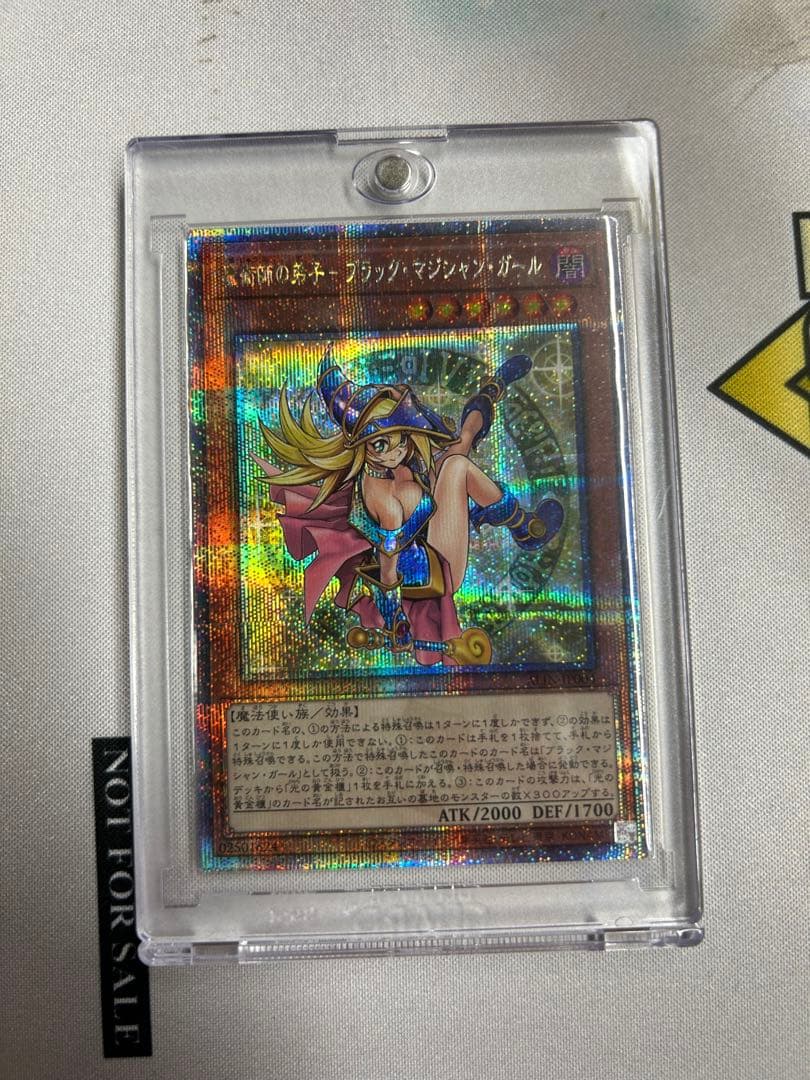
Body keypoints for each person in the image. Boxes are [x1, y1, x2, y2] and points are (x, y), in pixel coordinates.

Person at [251, 347, 563, 666]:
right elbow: (388, 569)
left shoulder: (397, 461)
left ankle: (492, 387)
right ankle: (524, 528)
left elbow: (419, 467)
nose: (397, 449)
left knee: (462, 442)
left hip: (435, 531)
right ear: (362, 445)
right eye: (381, 444)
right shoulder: (383, 500)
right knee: (457, 466)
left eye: (400, 436)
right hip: (436, 569)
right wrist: (395, 619)